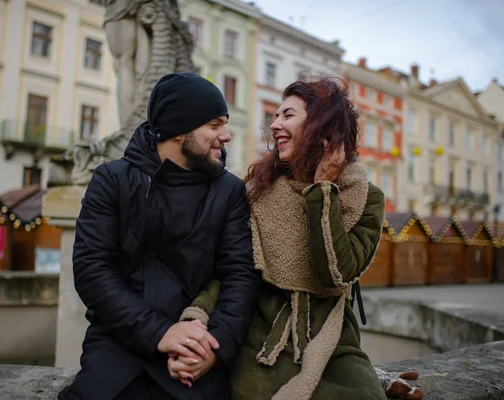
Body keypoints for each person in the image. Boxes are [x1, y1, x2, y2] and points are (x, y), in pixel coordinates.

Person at [169, 77, 423, 400]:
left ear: (322, 124)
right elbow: (232, 271)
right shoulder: (258, 190)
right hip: (262, 345)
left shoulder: (365, 199)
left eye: (287, 115)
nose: (275, 125)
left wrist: (323, 188)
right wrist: (197, 318)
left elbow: (335, 274)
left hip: (333, 347)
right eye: (275, 116)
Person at [59, 72, 261, 400]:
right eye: (214, 125)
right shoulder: (113, 180)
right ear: (179, 130)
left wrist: (215, 348)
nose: (225, 136)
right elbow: (92, 270)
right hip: (120, 342)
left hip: (197, 344)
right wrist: (159, 332)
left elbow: (240, 275)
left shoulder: (230, 191)